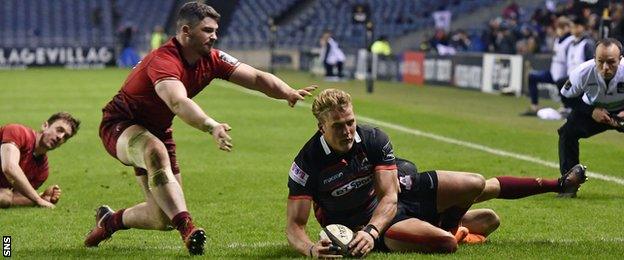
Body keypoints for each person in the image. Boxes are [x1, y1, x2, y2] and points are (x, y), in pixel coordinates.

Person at [84, 2, 316, 256]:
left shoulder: (212, 58)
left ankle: (110, 222)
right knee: (154, 150)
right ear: (186, 31)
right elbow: (177, 101)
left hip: (158, 130)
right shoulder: (164, 60)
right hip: (120, 124)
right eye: (207, 30)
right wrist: (211, 125)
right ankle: (188, 228)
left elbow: (257, 77)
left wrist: (287, 92)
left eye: (215, 30)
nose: (214, 36)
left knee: (160, 217)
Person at [285, 89, 587, 257]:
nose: (348, 131)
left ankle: (558, 182)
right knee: (447, 243)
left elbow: (389, 196)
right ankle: (448, 229)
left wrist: (372, 228)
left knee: (476, 183)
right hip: (362, 223)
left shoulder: (373, 138)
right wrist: (312, 250)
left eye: (350, 121)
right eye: (338, 126)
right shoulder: (308, 162)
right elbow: (295, 227)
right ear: (320, 126)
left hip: (385, 210)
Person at [559, 38, 624, 197]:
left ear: (620, 59)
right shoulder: (582, 72)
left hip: (621, 110)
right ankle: (569, 184)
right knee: (567, 133)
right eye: (600, 62)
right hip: (591, 110)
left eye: (611, 62)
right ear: (594, 58)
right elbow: (566, 97)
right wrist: (591, 111)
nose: (605, 68)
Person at [0, 112, 81, 209]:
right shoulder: (18, 132)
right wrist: (37, 199)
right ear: (45, 126)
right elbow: (9, 167)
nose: (60, 137)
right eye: (59, 130)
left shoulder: (42, 170)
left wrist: (42, 197)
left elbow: (16, 196)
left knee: (5, 197)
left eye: (66, 137)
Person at [521, 17, 574, 116]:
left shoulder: (571, 41)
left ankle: (566, 108)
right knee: (532, 77)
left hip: (564, 75)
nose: (560, 29)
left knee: (565, 90)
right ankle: (534, 106)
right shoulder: (558, 39)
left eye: (562, 27)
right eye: (558, 27)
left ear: (568, 27)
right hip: (553, 72)